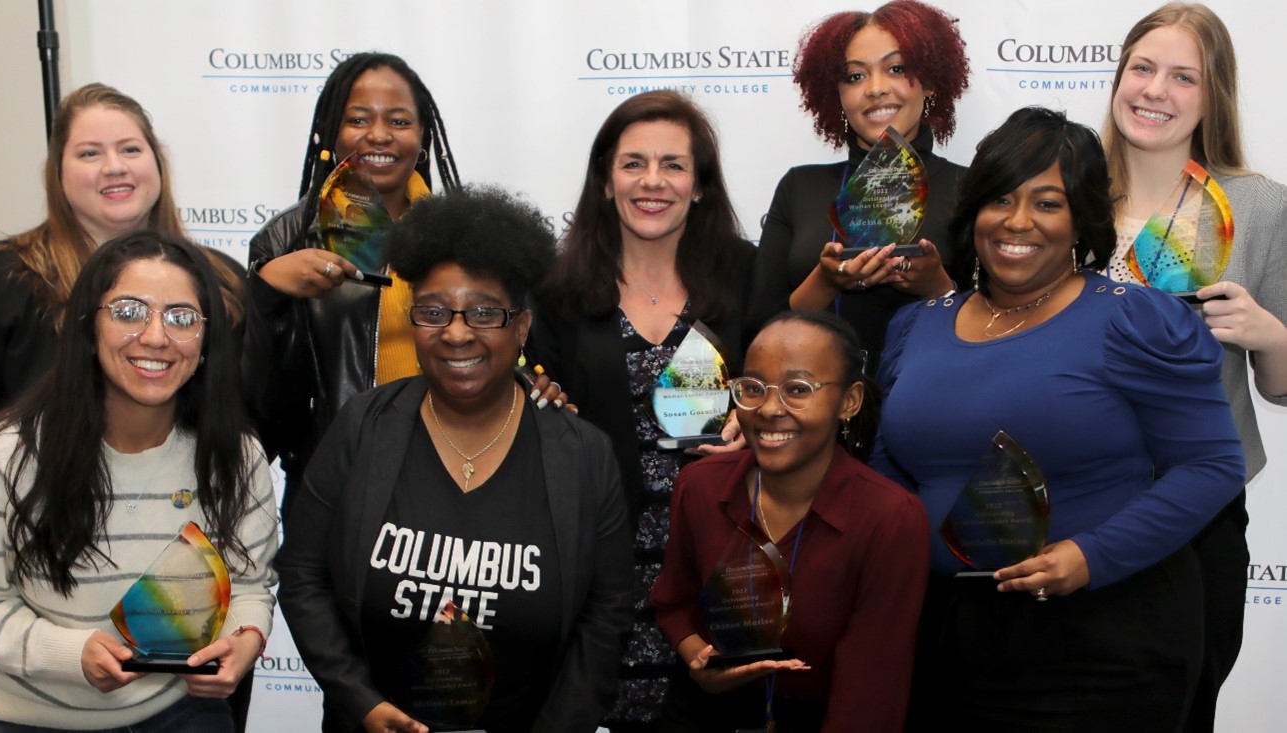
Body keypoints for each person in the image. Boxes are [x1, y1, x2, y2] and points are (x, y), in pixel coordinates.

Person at [873, 107, 1244, 730]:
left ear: (1081, 219)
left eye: (1048, 203)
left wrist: (1093, 556)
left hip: (1104, 636)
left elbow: (1212, 465)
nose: (1018, 222)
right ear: (973, 212)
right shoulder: (919, 324)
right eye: (1000, 199)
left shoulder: (1135, 318)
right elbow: (889, 473)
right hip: (949, 639)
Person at [277, 187, 634, 733]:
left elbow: (605, 617)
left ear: (522, 327)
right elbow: (303, 576)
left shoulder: (583, 454)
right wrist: (359, 700)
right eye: (434, 310)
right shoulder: (362, 427)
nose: (457, 331)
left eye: (485, 312)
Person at [0, 231, 278, 732]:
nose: (156, 337)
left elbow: (250, 585)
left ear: (206, 342)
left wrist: (246, 640)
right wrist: (71, 655)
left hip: (182, 712)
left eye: (181, 319)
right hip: (35, 719)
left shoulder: (236, 457)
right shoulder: (2, 456)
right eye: (129, 311)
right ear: (88, 328)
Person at [529, 90, 755, 729]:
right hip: (602, 573)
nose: (652, 181)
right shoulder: (556, 291)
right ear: (605, 181)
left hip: (718, 563)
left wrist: (753, 412)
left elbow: (785, 390)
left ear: (701, 185)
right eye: (633, 164)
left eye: (673, 165)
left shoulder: (749, 275)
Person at [0, 83, 242, 469]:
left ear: (157, 163)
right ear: (58, 172)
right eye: (90, 153)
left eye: (130, 149)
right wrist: (29, 467)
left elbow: (252, 415)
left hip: (184, 516)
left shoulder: (221, 280)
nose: (114, 166)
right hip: (33, 518)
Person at [1101, 5, 1287, 728]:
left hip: (1198, 516)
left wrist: (1268, 332)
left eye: (1186, 77)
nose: (1156, 91)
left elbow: (1279, 384)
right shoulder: (1067, 193)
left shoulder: (1258, 206)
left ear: (1214, 97)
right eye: (1143, 68)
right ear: (1119, 76)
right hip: (1078, 499)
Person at [651, 311, 928, 732]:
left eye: (798, 389)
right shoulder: (700, 487)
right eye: (753, 389)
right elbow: (673, 602)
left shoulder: (889, 518)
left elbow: (871, 693)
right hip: (701, 710)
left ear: (849, 401)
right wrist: (698, 658)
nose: (770, 409)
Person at [244, 52, 463, 505]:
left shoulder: (465, 234)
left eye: (399, 121)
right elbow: (262, 400)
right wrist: (267, 293)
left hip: (453, 473)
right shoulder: (287, 239)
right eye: (358, 119)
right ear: (331, 133)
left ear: (422, 136)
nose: (379, 135)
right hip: (335, 482)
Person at [748, 0, 970, 373]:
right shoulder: (800, 186)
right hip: (819, 415)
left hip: (935, 402)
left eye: (897, 69)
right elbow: (758, 332)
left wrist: (938, 288)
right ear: (835, 93)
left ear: (931, 80)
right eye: (855, 76)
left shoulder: (970, 186)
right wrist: (825, 281)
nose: (876, 89)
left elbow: (1004, 328)